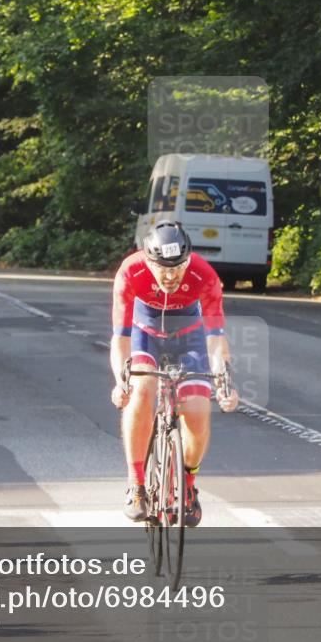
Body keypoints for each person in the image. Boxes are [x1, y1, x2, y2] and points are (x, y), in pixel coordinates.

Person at [110, 221, 239, 526]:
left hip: (189, 338)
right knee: (141, 390)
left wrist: (224, 382)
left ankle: (188, 487)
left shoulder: (204, 275)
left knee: (197, 409)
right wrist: (121, 381)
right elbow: (121, 337)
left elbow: (216, 337)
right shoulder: (131, 272)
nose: (170, 275)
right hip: (145, 336)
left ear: (188, 259)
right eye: (162, 268)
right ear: (148, 259)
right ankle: (137, 485)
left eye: (178, 267)